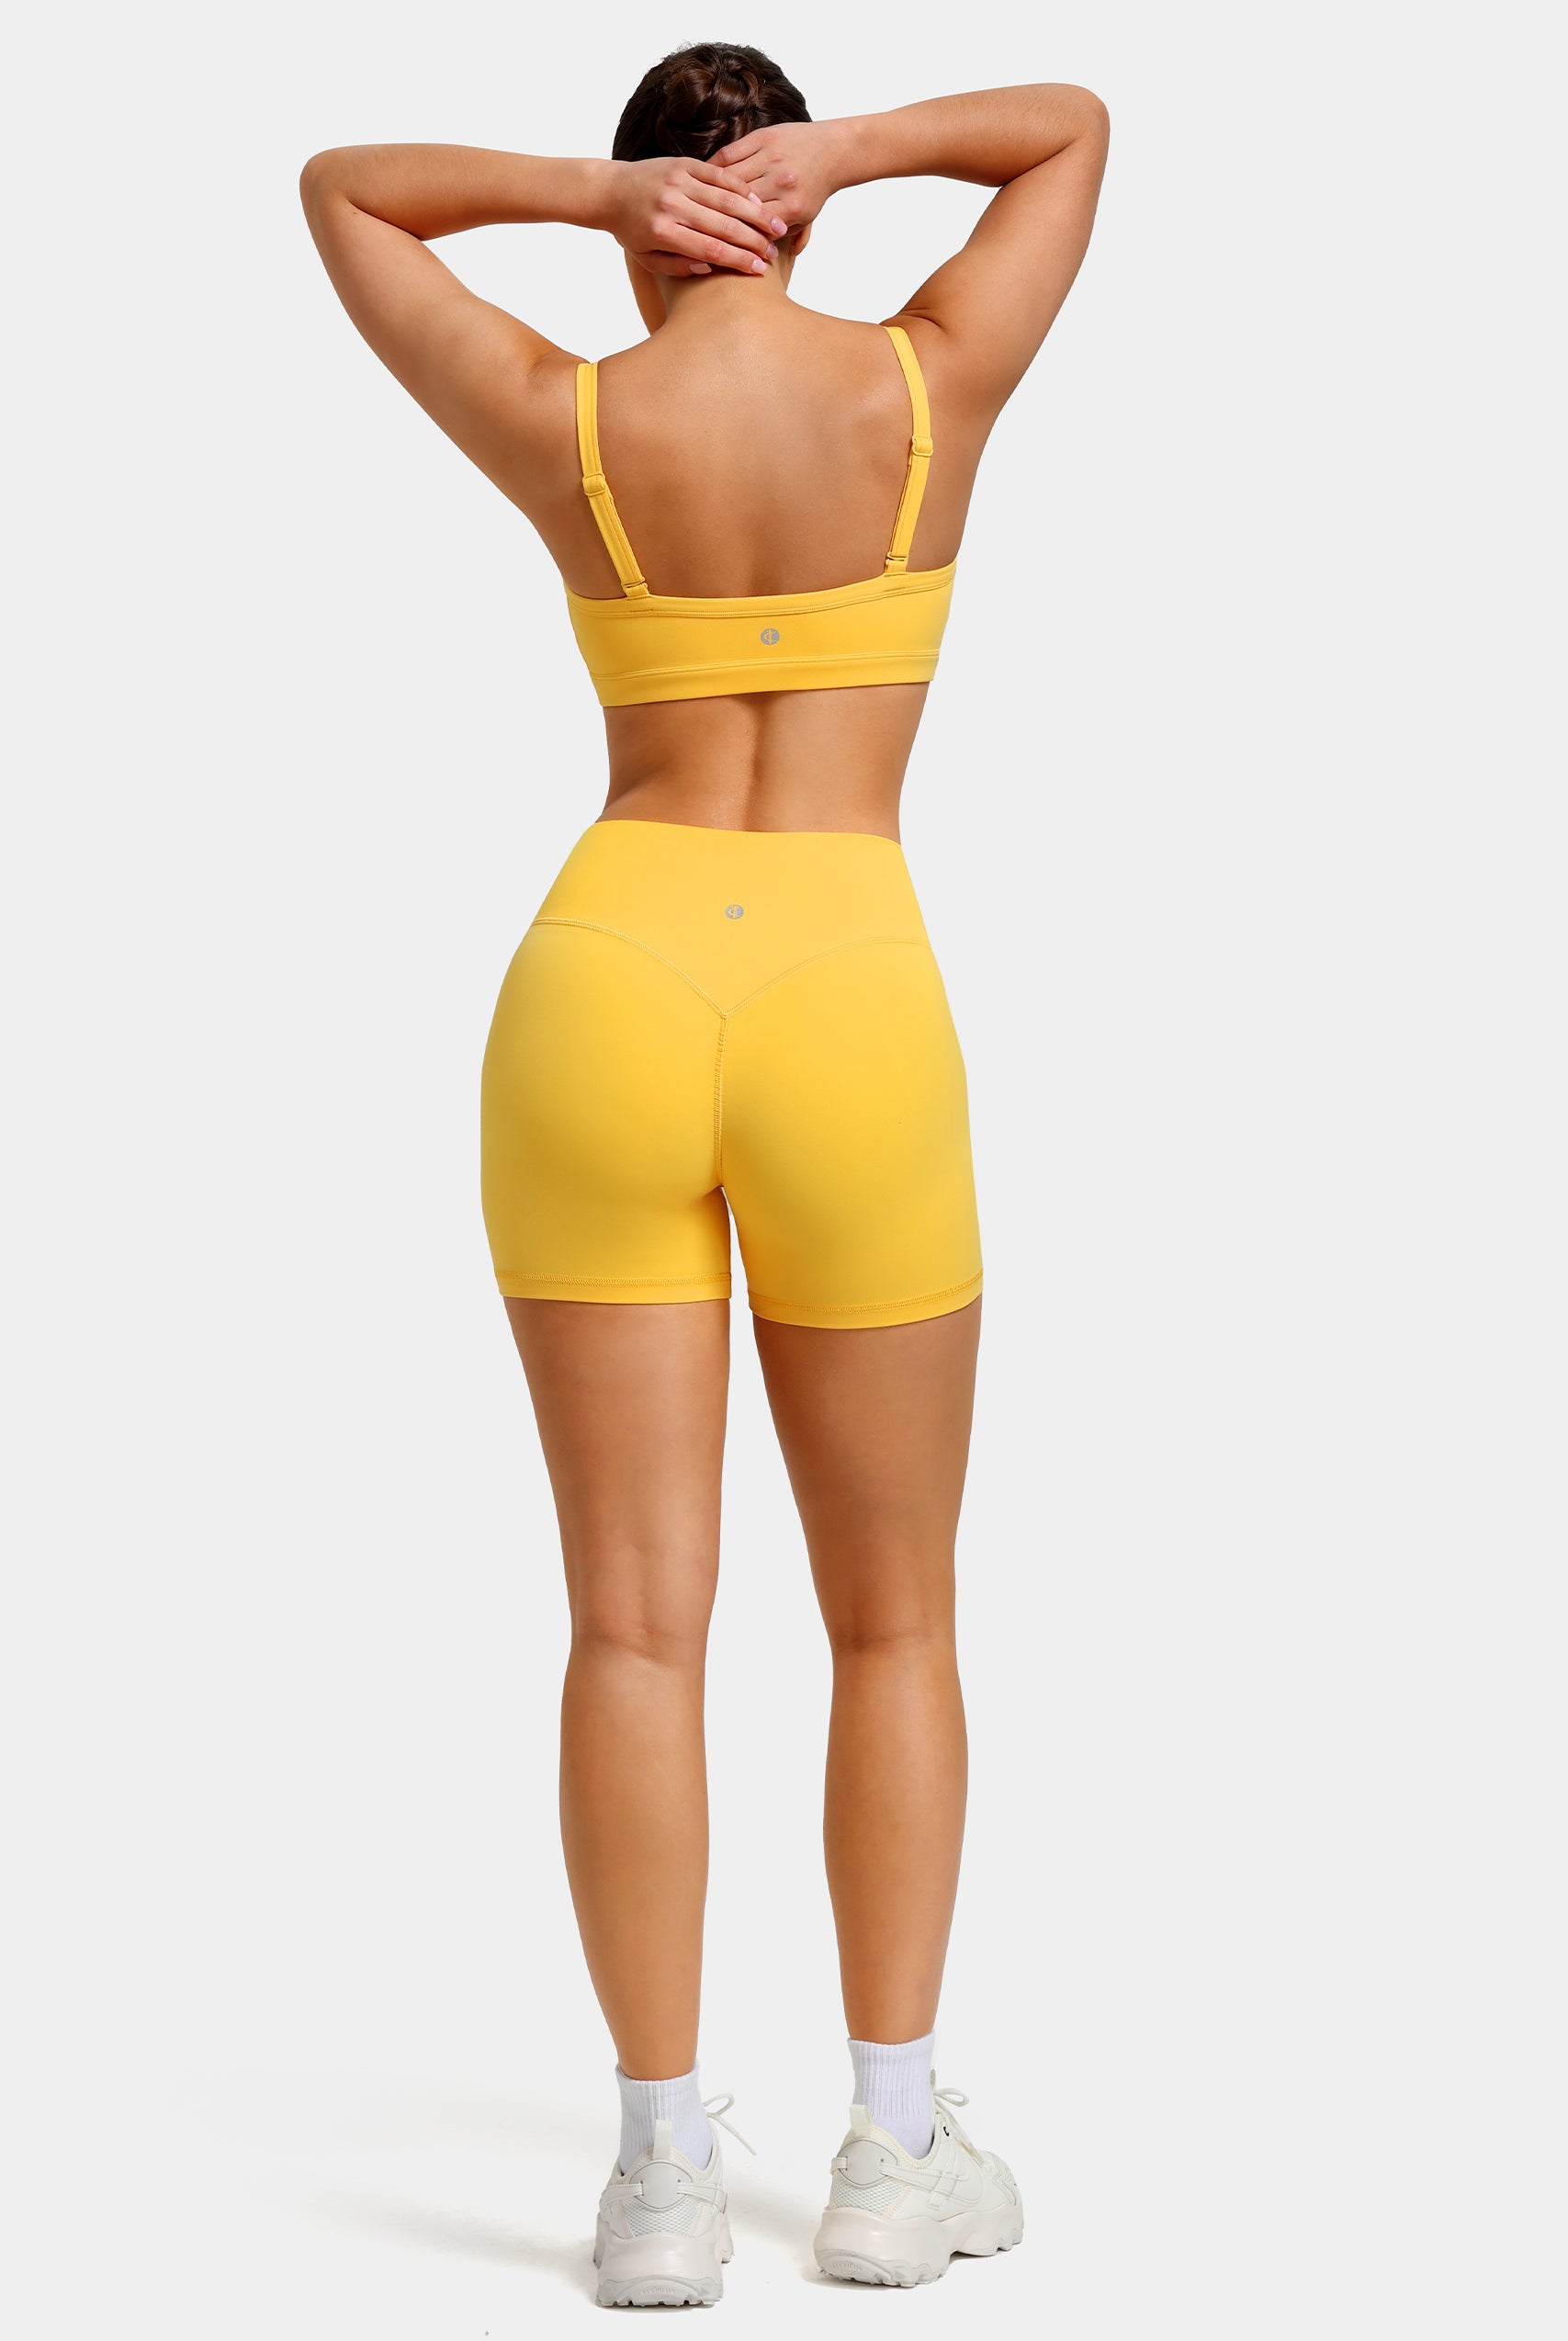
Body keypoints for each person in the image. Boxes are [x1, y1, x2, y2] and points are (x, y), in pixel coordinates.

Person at [301, 42, 1107, 2306]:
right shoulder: (923, 384)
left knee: (632, 1621)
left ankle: (658, 2175)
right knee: (893, 1614)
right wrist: (848, 155)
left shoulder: (570, 420)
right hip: (847, 984)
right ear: (785, 201)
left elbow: (343, 187)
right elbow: (1069, 127)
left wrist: (594, 199)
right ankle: (892, 2146)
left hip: (606, 984)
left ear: (652, 213)